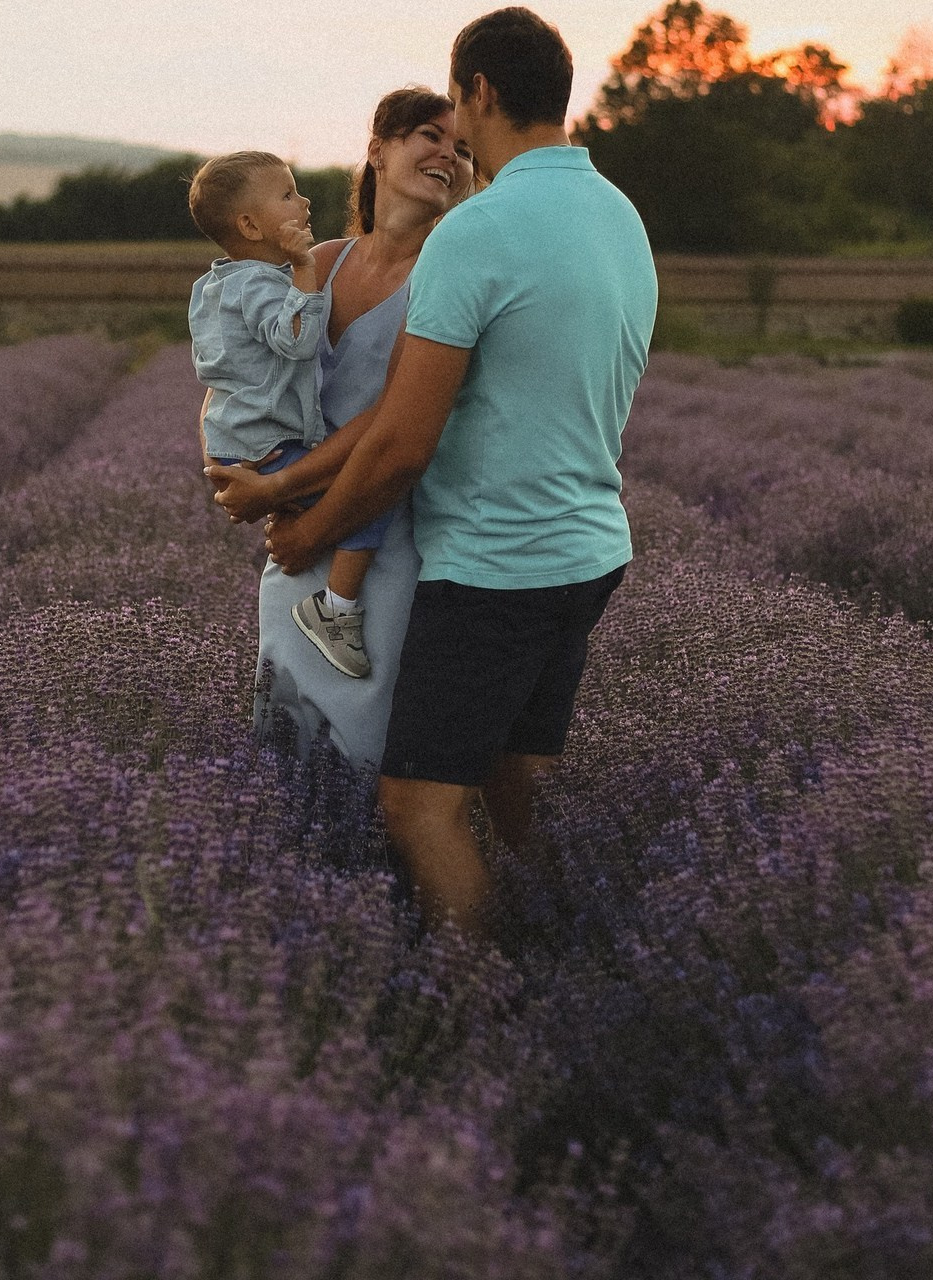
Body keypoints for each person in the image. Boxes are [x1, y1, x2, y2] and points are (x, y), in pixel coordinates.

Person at [213, 7, 659, 936]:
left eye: (455, 104)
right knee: (516, 774)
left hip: (496, 560)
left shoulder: (479, 231)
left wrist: (306, 528)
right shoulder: (619, 213)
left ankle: (479, 1010)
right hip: (590, 547)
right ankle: (577, 954)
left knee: (416, 802)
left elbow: (403, 442)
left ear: (481, 93)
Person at [205, 90, 474, 759]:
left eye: (464, 147)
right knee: (282, 727)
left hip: (379, 537)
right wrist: (235, 468)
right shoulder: (321, 262)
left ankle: (354, 860)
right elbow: (236, 370)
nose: (449, 153)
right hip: (295, 533)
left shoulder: (446, 281)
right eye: (428, 135)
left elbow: (394, 419)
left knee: (355, 741)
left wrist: (279, 488)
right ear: (377, 149)